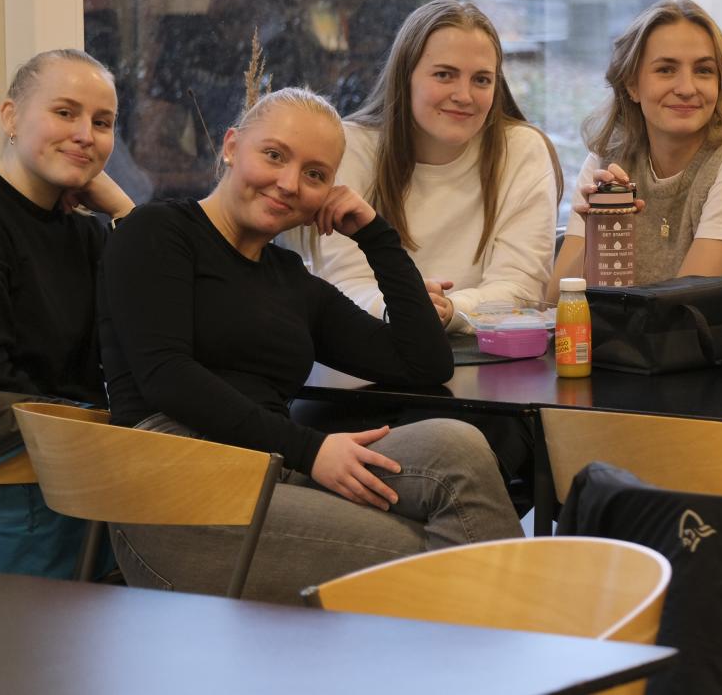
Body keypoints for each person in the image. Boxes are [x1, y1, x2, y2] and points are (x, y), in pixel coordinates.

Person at [99, 87, 521, 604]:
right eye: (274, 155)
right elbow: (167, 377)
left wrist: (376, 236)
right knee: (436, 556)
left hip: (269, 464)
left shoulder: (289, 280)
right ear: (231, 146)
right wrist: (311, 450)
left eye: (315, 174)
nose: (289, 183)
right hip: (174, 488)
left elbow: (421, 362)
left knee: (457, 445)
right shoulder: (155, 232)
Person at [0, 49, 135, 577]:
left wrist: (123, 210)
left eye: (102, 123)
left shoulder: (89, 233)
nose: (85, 134)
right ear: (11, 117)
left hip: (79, 475)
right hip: (1, 482)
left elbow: (154, 338)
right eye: (65, 112)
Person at [312, 0, 560, 331]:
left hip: (484, 355)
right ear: (405, 77)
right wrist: (405, 307)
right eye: (444, 75)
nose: (464, 95)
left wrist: (451, 310)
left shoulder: (522, 149)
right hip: (371, 345)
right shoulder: (350, 147)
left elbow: (522, 288)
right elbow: (343, 282)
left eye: (482, 80)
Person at [552, 0, 722, 345]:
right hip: (628, 360)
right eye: (666, 70)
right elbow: (555, 301)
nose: (687, 88)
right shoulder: (607, 159)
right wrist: (598, 232)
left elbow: (682, 312)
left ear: (721, 84)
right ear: (632, 85)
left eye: (704, 71)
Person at [136, 0, 325, 197]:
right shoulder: (190, 40)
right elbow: (151, 144)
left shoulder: (294, 53)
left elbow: (303, 155)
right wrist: (214, 174)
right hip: (211, 192)